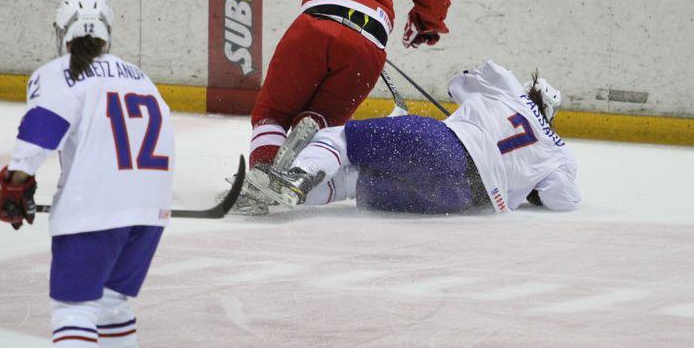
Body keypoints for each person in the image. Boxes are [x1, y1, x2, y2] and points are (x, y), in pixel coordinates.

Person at [235, 0, 451, 213]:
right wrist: (426, 22)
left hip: (318, 26)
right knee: (328, 125)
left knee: (272, 112)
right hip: (369, 46)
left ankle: (261, 175)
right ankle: (304, 158)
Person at [0, 0, 173, 348]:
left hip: (92, 210)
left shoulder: (59, 72)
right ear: (107, 33)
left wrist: (15, 184)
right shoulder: (141, 78)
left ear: (63, 34)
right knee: (111, 300)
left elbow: (42, 129)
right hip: (150, 212)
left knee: (73, 309)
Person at [247, 60, 580, 215]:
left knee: (342, 141)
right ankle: (285, 196)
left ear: (530, 91)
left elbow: (458, 83)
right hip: (461, 199)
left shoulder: (510, 90)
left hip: (444, 144)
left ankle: (293, 180)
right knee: (353, 183)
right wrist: (531, 188)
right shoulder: (559, 153)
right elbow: (562, 200)